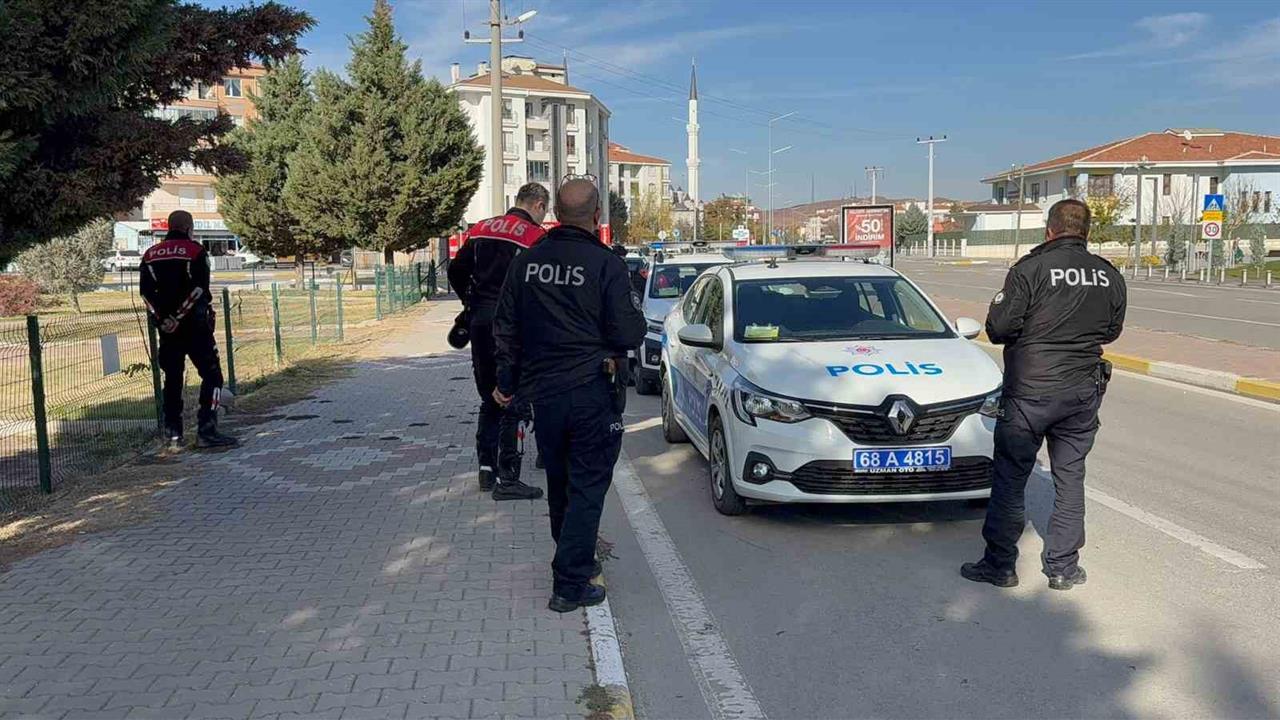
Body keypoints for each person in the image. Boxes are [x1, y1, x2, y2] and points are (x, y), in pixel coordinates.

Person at [493, 179, 646, 612]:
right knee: (588, 486)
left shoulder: (529, 261)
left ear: (555, 212)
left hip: (546, 397)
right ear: (597, 216)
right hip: (592, 393)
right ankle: (570, 583)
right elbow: (630, 332)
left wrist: (507, 382)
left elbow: (506, 326)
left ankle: (570, 562)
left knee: (560, 483)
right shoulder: (606, 265)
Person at [962, 199, 1127, 591]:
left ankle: (1000, 565)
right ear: (1086, 232)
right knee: (1070, 479)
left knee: (1010, 477)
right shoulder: (1108, 275)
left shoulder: (1030, 270)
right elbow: (1111, 331)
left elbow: (999, 328)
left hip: (1030, 394)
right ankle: (1063, 568)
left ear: (1050, 230)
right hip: (1082, 393)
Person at [448, 183, 549, 501]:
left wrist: (471, 301)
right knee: (511, 397)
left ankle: (486, 469)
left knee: (488, 397)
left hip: (479, 322)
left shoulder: (480, 228)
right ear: (538, 204)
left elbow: (455, 270)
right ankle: (509, 476)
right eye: (543, 211)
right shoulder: (534, 236)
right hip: (512, 327)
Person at [139, 210, 238, 449]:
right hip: (196, 328)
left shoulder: (151, 255)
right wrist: (180, 316)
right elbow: (198, 290)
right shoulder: (196, 252)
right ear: (188, 228)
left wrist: (164, 319)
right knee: (213, 376)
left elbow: (146, 293)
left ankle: (173, 435)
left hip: (167, 331)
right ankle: (207, 430)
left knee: (172, 380)